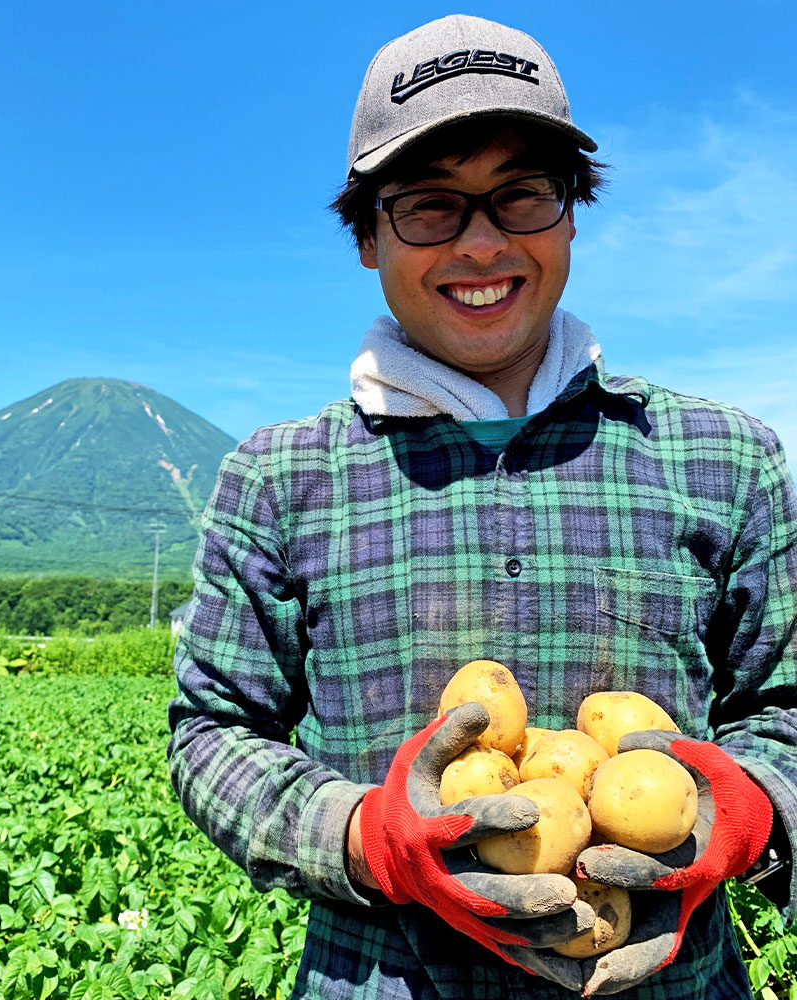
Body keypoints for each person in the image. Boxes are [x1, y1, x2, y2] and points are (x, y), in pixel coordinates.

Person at [167, 14, 796, 999]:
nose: (482, 241)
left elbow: (785, 711)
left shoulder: (727, 459)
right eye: (429, 205)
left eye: (522, 194)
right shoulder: (280, 478)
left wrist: (748, 814)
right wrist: (368, 839)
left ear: (571, 215)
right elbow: (211, 732)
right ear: (366, 235)